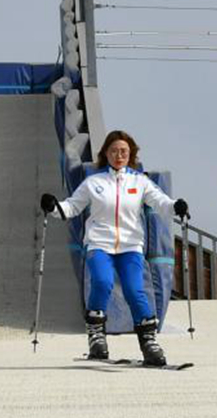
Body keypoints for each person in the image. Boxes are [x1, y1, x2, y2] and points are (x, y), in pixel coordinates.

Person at [41, 129, 189, 366]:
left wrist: (176, 207)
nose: (119, 155)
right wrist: (53, 207)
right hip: (100, 243)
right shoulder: (94, 182)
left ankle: (149, 342)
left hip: (130, 245)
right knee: (102, 281)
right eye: (114, 151)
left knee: (134, 291)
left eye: (124, 151)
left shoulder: (140, 182)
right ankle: (97, 336)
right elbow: (71, 207)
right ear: (106, 154)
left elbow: (161, 202)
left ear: (131, 155)